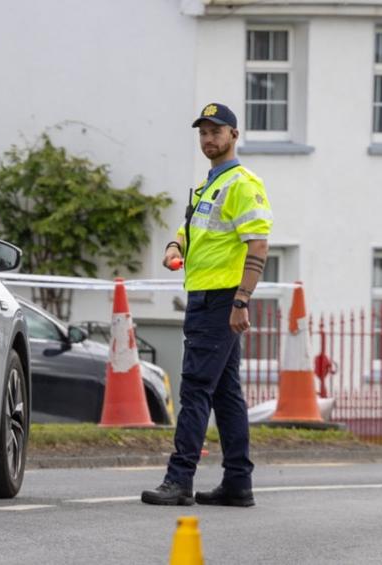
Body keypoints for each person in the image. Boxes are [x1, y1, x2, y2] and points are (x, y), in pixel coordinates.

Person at [141, 102, 273, 507]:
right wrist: (172, 246)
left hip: (221, 300)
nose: (208, 139)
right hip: (204, 298)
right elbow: (189, 230)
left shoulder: (241, 183)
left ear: (234, 135)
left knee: (196, 388)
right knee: (226, 394)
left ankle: (179, 479)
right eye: (203, 132)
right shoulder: (210, 186)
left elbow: (259, 244)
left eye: (216, 131)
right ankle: (238, 483)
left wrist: (241, 300)